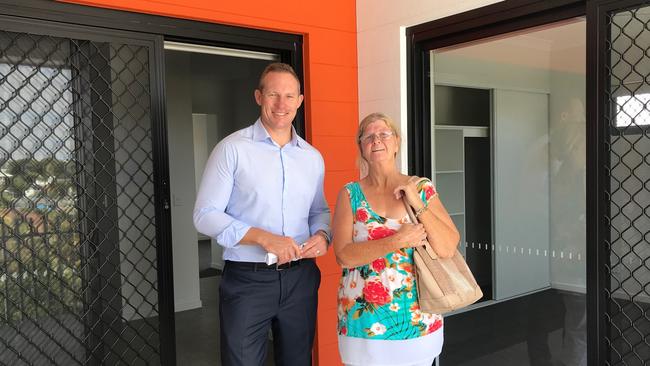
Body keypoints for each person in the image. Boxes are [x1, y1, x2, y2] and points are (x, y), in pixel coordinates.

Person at [193, 62, 330, 366]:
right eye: (273, 95)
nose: (282, 104)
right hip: (247, 282)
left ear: (300, 101)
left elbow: (319, 210)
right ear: (258, 97)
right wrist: (264, 238)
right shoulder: (232, 149)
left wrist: (323, 234)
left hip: (301, 279)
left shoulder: (312, 157)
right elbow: (205, 214)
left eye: (290, 96)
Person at [331, 112, 460, 366]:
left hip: (417, 320)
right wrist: (396, 241)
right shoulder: (350, 194)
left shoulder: (420, 187)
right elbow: (343, 255)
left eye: (383, 134)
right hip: (363, 324)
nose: (376, 140)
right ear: (361, 148)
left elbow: (447, 246)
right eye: (368, 136)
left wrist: (417, 203)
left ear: (397, 143)